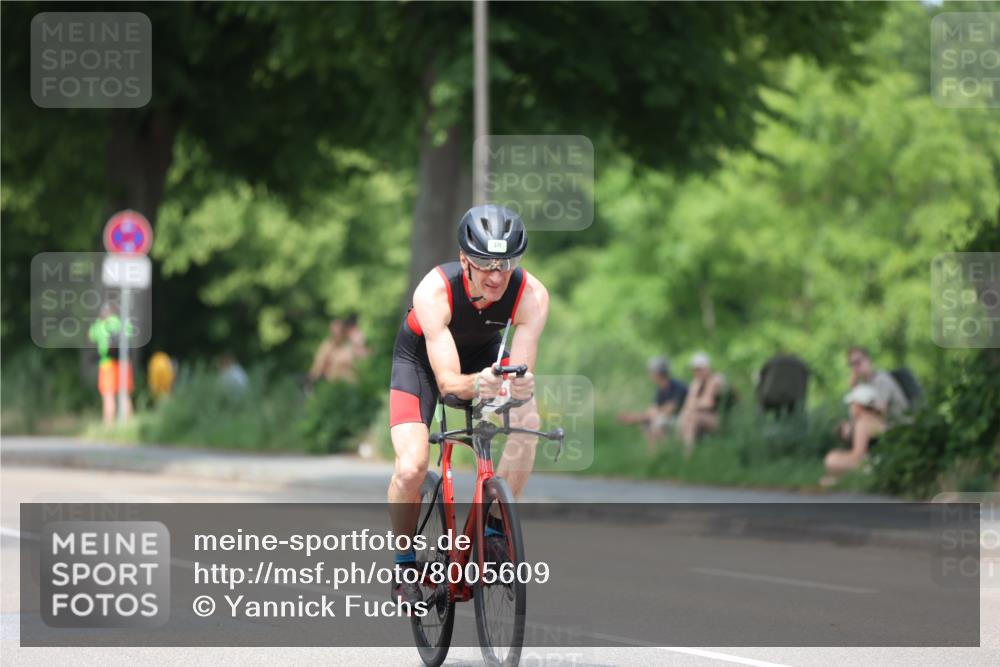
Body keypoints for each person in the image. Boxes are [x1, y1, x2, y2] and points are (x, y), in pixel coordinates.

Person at [387, 204, 548, 604]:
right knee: (411, 467)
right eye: (485, 264)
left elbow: (523, 369)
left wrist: (521, 387)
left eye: (506, 264)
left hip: (485, 356)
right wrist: (479, 385)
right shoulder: (434, 290)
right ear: (464, 260)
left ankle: (494, 533)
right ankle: (405, 562)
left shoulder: (531, 294)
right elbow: (449, 384)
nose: (497, 276)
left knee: (528, 422)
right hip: (422, 363)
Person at [823, 346, 911, 485]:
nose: (856, 367)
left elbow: (881, 411)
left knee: (862, 422)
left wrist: (857, 416)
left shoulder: (881, 379)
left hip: (897, 427)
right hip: (881, 427)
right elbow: (860, 409)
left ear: (868, 360)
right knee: (832, 457)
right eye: (852, 364)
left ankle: (860, 462)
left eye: (859, 362)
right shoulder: (867, 384)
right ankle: (862, 464)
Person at [617, 356, 688, 453]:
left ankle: (665, 453)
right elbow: (654, 409)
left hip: (683, 417)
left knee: (658, 423)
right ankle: (655, 455)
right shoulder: (661, 389)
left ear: (658, 373)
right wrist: (637, 417)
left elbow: (670, 409)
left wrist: (636, 418)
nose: (650, 374)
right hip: (671, 418)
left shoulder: (677, 386)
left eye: (651, 372)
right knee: (646, 425)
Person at [821, 384, 886, 487]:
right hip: (879, 460)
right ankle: (835, 479)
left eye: (852, 404)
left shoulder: (863, 423)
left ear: (859, 405)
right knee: (837, 456)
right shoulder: (876, 418)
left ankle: (835, 479)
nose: (850, 408)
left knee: (832, 458)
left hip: (872, 465)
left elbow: (858, 454)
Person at [87, 303, 135, 425]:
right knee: (124, 395)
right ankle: (129, 425)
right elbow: (131, 333)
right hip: (124, 362)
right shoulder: (122, 323)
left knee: (108, 395)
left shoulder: (100, 325)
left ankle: (108, 426)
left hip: (107, 363)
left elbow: (90, 336)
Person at [677, 351, 725, 455]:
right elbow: (687, 404)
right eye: (695, 369)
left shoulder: (716, 379)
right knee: (684, 419)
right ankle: (685, 455)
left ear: (707, 368)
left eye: (699, 369)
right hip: (699, 417)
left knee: (691, 417)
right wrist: (693, 405)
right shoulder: (696, 383)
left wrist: (694, 404)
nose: (697, 372)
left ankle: (688, 457)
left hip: (721, 418)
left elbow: (708, 403)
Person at [307, 315, 369, 387]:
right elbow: (318, 366)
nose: (337, 332)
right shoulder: (328, 345)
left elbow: (366, 357)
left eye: (340, 329)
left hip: (354, 385)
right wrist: (311, 380)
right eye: (334, 330)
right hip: (336, 386)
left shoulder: (353, 343)